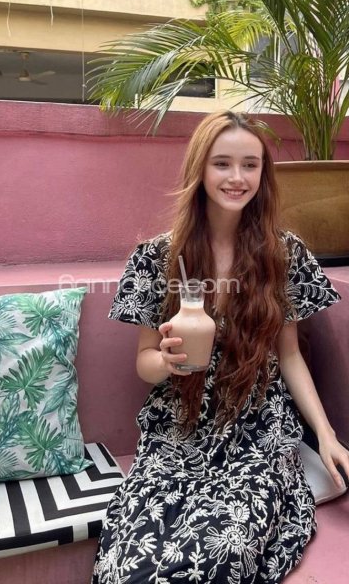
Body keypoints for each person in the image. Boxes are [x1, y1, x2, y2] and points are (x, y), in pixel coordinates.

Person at [91, 111, 349, 583]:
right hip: (179, 428)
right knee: (128, 561)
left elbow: (289, 355)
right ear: (200, 169)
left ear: (263, 174)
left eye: (250, 165)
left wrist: (327, 435)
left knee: (224, 550)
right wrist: (167, 361)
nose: (237, 177)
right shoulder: (158, 258)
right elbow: (145, 363)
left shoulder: (284, 254)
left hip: (257, 429)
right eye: (222, 163)